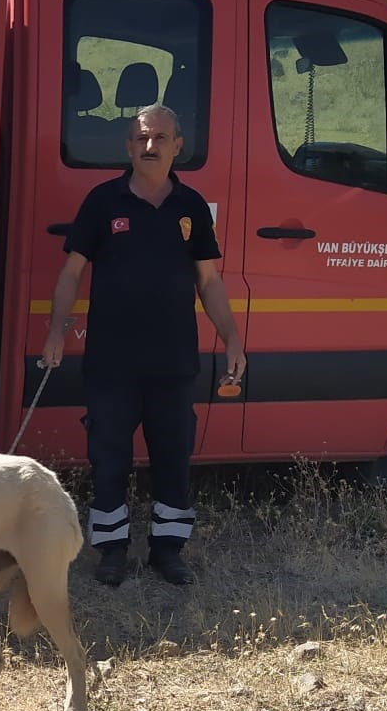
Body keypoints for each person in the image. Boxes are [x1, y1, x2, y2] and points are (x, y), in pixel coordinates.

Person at [41, 104, 245, 587]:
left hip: (173, 361)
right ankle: (111, 551)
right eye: (140, 138)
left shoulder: (191, 207)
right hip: (111, 361)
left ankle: (168, 551)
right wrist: (55, 330)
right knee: (108, 457)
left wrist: (232, 336)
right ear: (129, 147)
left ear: (178, 146)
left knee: (173, 457)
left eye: (160, 138)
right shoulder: (102, 202)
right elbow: (71, 273)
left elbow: (209, 281)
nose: (149, 146)